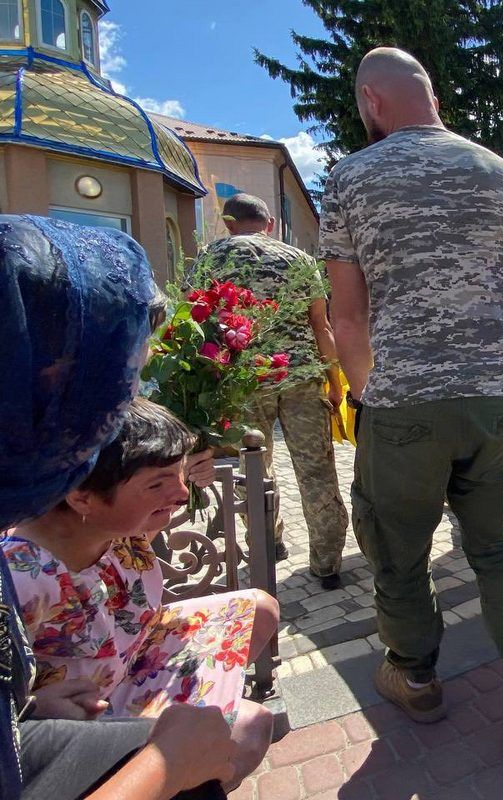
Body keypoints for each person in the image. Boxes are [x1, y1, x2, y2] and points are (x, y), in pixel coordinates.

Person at [320, 47, 503, 761]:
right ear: (431, 97)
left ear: (371, 101)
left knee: (399, 552)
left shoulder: (352, 177)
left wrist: (368, 396)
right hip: (496, 401)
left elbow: (348, 317)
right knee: (499, 554)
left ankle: (416, 678)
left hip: (404, 403)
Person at [0, 215, 246, 799]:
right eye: (117, 378)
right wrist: (164, 765)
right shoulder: (25, 568)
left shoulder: (78, 523)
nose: (122, 408)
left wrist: (25, 711)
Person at [2, 398, 278, 791]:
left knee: (260, 610)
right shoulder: (19, 578)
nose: (180, 494)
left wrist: (190, 469)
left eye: (178, 475)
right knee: (251, 726)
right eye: (158, 484)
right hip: (83, 713)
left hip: (137, 653)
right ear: (80, 496)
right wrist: (33, 709)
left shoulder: (111, 523)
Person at [199, 193, 349, 591]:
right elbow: (321, 325)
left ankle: (268, 543)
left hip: (244, 382)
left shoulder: (211, 258)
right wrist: (335, 382)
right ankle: (327, 562)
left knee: (252, 469)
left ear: (229, 223)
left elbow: (198, 324)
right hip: (301, 378)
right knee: (317, 471)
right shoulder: (298, 259)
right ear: (269, 224)